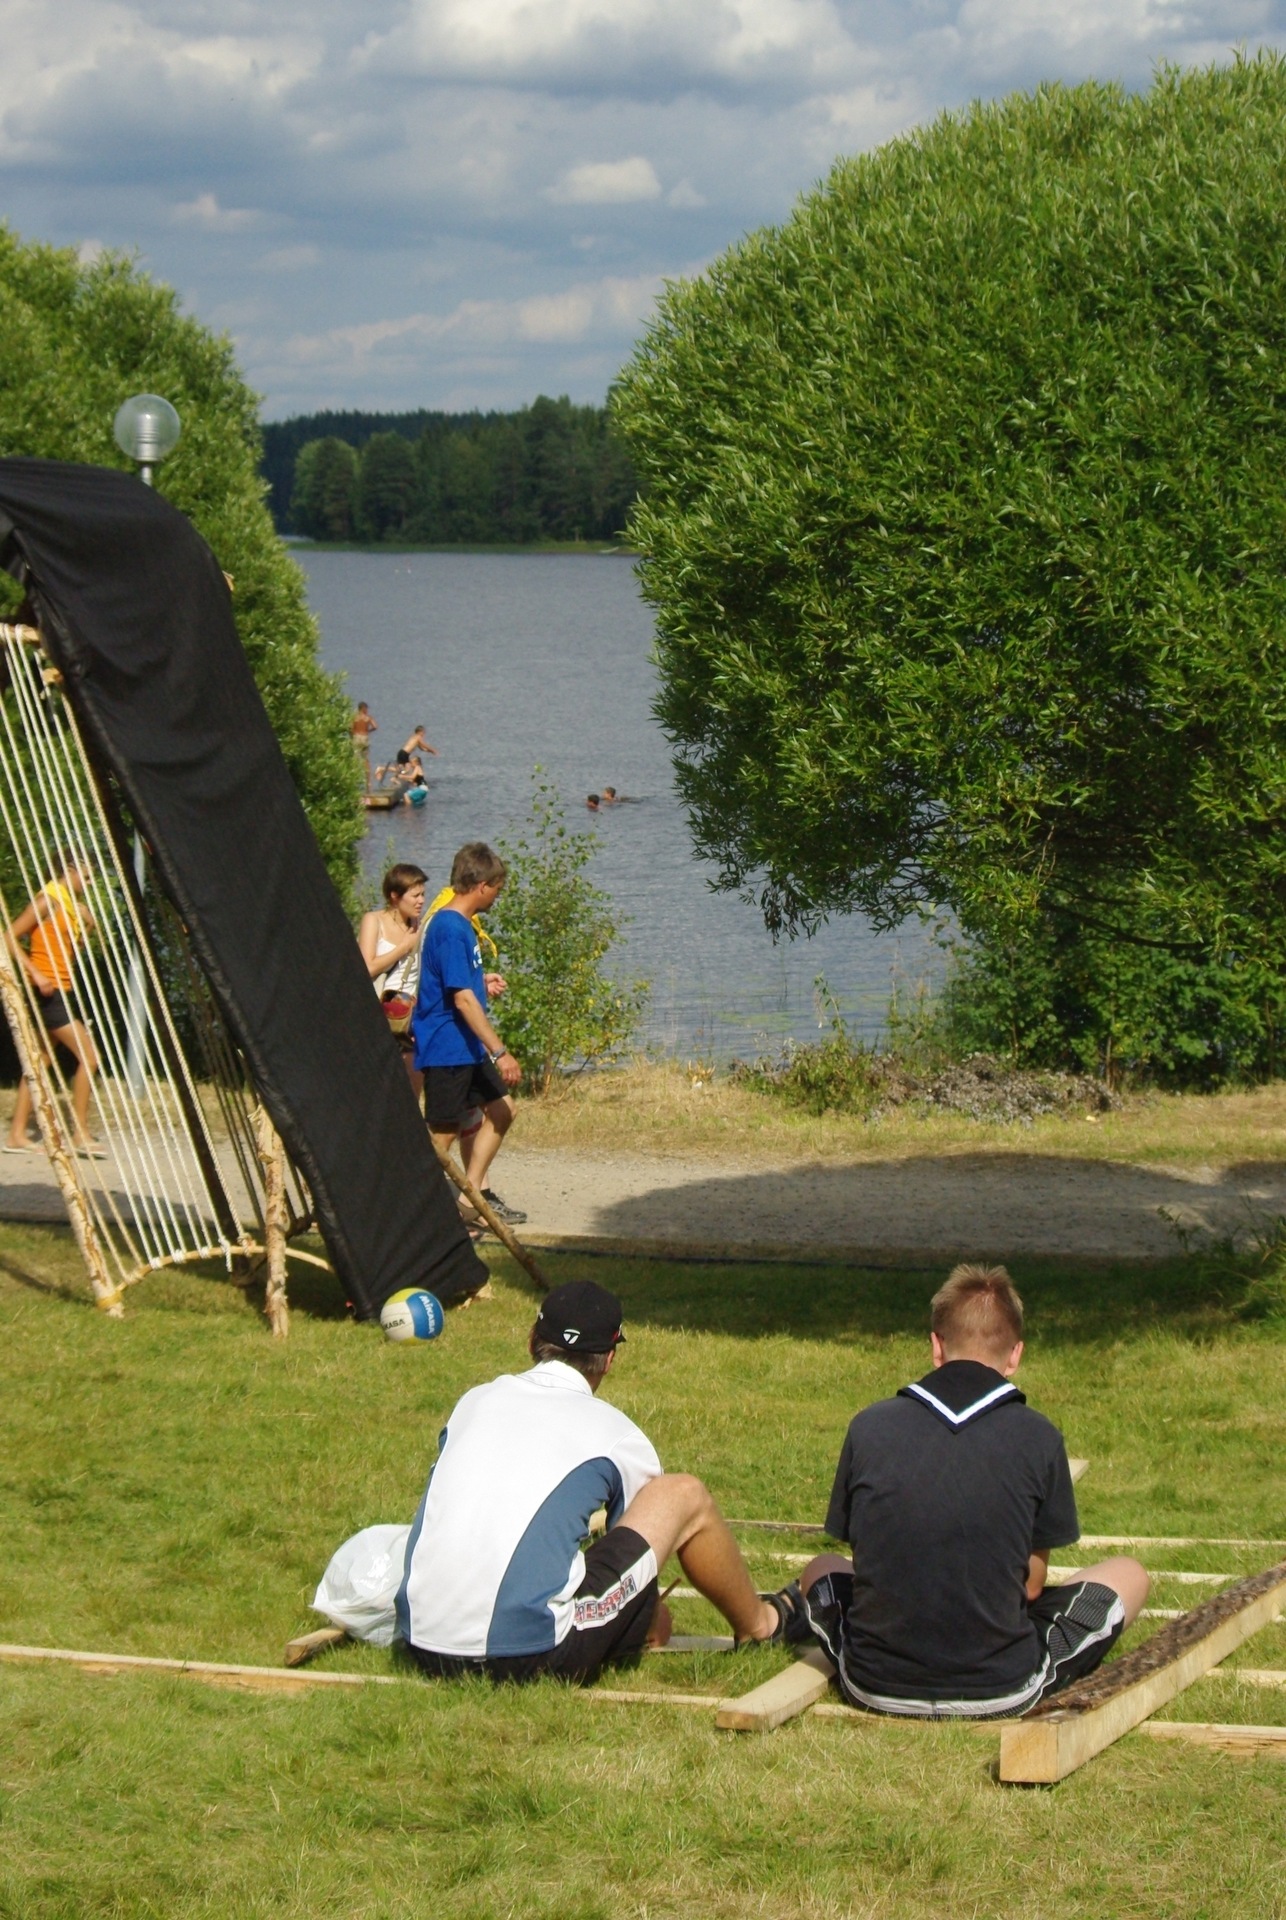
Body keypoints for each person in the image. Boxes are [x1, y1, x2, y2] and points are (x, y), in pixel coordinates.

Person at [793, 1264, 1149, 1718]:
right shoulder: (1039, 1436)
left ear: (936, 1346)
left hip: (875, 1681)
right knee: (1130, 1574)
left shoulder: (868, 1427)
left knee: (820, 1568)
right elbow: (1031, 1586)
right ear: (1015, 1355)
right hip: (1000, 1686)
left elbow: (868, 1566)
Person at [397, 1279, 798, 1681]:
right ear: (608, 1360)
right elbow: (641, 1554)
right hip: (530, 1653)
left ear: (532, 1339)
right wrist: (649, 1617)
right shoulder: (620, 1436)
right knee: (684, 1495)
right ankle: (761, 1626)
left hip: (420, 1641)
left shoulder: (474, 1401)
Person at [412, 843, 526, 1227]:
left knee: (503, 1110)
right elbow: (461, 1000)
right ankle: (410, 1210)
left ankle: (469, 1196)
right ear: (481, 885)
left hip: (467, 1047)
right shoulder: (448, 927)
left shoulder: (462, 926)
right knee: (442, 1137)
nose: (497, 895)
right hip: (447, 1047)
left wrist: (482, 982)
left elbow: (460, 984)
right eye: (497, 888)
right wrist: (500, 1052)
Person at [4, 853, 102, 1155]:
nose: (89, 884)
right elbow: (8, 938)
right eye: (87, 877)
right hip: (48, 991)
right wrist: (34, 972)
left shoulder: (69, 906)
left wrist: (87, 926)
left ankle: (17, 1134)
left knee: (40, 1060)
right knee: (90, 1057)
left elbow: (71, 949)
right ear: (70, 870)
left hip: (62, 988)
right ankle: (80, 1133)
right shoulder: (47, 901)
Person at [358, 864, 427, 1092]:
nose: (421, 901)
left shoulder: (419, 926)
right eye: (415, 896)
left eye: (423, 894)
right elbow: (367, 968)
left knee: (413, 1082)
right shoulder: (374, 920)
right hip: (377, 1014)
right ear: (395, 896)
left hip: (407, 1018)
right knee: (376, 1087)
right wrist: (404, 947)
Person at [351, 702, 377, 786]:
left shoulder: (354, 717)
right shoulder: (368, 717)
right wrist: (368, 731)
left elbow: (350, 728)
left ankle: (354, 780)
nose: (367, 710)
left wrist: (352, 735)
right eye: (366, 709)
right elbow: (375, 726)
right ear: (363, 708)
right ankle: (368, 782)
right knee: (366, 760)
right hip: (364, 737)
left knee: (355, 759)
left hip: (356, 737)